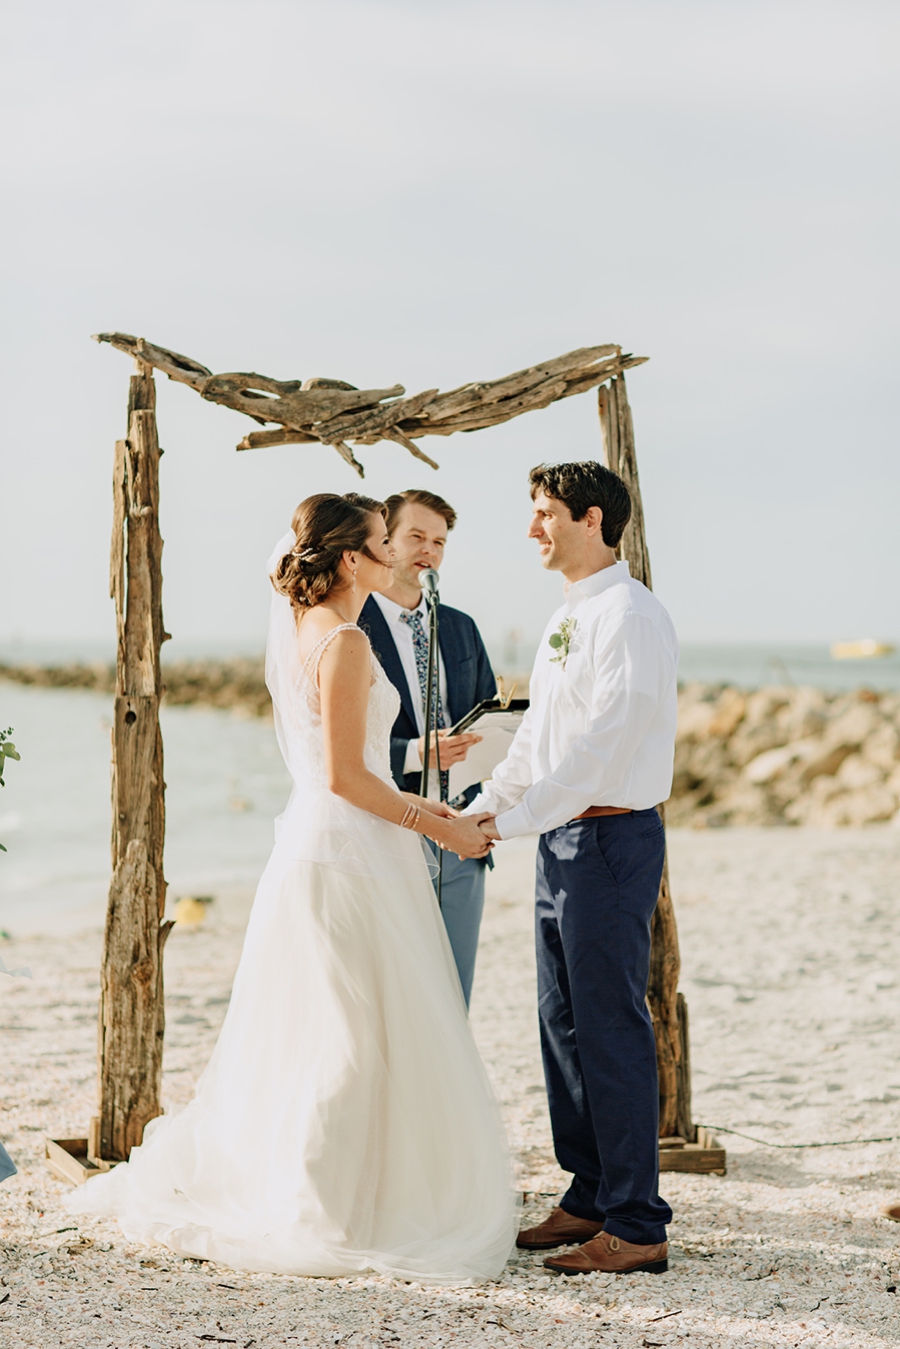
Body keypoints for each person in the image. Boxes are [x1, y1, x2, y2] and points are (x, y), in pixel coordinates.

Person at [69, 492, 516, 1282]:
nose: (397, 557)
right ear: (351, 560)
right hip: (346, 854)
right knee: (349, 1037)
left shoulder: (322, 630)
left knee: (342, 1030)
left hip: (345, 849)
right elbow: (349, 777)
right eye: (384, 544)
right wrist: (439, 822)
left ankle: (351, 1191)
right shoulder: (343, 642)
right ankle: (320, 1207)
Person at [466, 461, 679, 1277]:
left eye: (545, 512)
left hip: (611, 840)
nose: (533, 528)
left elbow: (601, 752)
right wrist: (484, 807)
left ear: (592, 519)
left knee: (611, 1025)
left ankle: (636, 1220)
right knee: (562, 1024)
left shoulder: (630, 615)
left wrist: (511, 823)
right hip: (561, 841)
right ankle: (589, 1192)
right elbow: (537, 740)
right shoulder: (570, 614)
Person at [359, 489, 497, 1007]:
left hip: (461, 830)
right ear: (385, 540)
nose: (429, 551)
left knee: (453, 991)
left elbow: (486, 712)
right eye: (416, 536)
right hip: (386, 827)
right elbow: (337, 745)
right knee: (394, 994)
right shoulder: (353, 625)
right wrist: (417, 753)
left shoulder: (462, 628)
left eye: (439, 542)